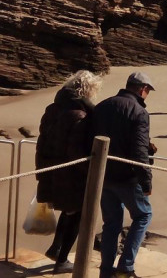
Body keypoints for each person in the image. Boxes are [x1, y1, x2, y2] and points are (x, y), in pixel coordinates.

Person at [36, 70, 102, 273]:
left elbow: (41, 142)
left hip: (51, 170)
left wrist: (41, 171)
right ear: (88, 90)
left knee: (68, 210)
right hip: (70, 175)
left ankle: (56, 248)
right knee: (78, 212)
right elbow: (75, 152)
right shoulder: (80, 115)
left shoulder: (52, 109)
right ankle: (62, 259)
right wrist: (92, 172)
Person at [92, 72, 156, 278]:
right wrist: (146, 182)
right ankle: (125, 268)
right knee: (143, 215)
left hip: (102, 174)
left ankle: (105, 271)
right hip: (127, 177)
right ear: (141, 89)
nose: (147, 94)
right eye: (148, 91)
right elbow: (138, 153)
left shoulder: (103, 106)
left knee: (111, 224)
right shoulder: (139, 112)